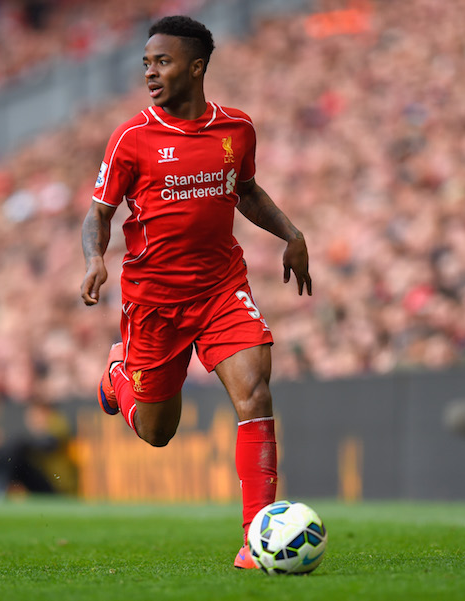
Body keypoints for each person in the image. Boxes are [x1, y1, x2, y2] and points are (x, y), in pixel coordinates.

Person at [79, 16, 311, 569]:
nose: (150, 73)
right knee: (157, 432)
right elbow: (98, 213)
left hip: (221, 287)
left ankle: (257, 538)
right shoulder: (132, 137)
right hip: (154, 300)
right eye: (146, 63)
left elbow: (245, 191)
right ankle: (118, 374)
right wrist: (94, 259)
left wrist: (292, 234)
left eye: (162, 62)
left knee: (255, 394)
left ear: (197, 66)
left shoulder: (237, 128)